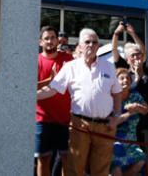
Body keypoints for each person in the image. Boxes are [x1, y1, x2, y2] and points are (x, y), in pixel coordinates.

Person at [42, 28, 123, 176]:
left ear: (98, 46)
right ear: (79, 46)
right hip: (80, 125)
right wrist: (29, 97)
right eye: (87, 42)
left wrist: (116, 116)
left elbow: (117, 93)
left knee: (101, 170)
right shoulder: (71, 67)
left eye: (94, 42)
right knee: (75, 168)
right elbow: (52, 89)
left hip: (105, 126)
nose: (91, 45)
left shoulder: (108, 66)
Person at [37, 25, 74, 176]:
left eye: (53, 38)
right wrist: (49, 81)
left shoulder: (68, 59)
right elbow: (27, 89)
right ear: (40, 42)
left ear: (58, 40)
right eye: (46, 38)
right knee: (43, 159)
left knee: (67, 159)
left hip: (65, 119)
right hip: (41, 119)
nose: (50, 41)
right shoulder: (35, 61)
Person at [125, 43, 148, 176]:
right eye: (132, 55)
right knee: (133, 160)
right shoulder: (125, 76)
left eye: (138, 54)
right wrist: (136, 77)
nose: (136, 57)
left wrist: (140, 74)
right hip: (131, 125)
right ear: (127, 59)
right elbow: (126, 93)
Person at [111, 68, 148, 176]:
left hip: (131, 141)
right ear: (115, 81)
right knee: (116, 168)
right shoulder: (112, 98)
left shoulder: (135, 96)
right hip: (114, 141)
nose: (125, 80)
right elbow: (111, 123)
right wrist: (129, 113)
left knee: (141, 160)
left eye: (127, 78)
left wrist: (139, 108)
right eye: (122, 78)